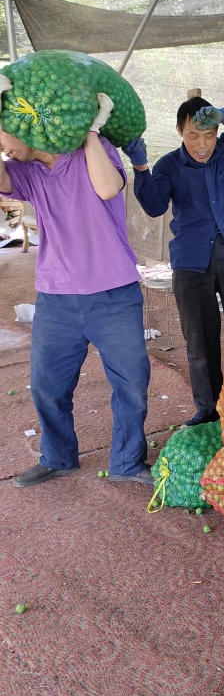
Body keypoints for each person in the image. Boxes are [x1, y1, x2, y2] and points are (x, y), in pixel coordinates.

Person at [0, 93, 152, 488]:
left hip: (114, 294)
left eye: (5, 140)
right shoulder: (27, 173)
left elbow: (107, 189)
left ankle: (128, 461)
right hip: (56, 298)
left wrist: (89, 132)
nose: (5, 149)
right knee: (47, 385)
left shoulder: (94, 149)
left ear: (27, 129)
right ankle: (59, 457)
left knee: (131, 384)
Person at [130, 99, 224, 426]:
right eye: (194, 135)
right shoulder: (169, 165)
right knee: (199, 342)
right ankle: (209, 411)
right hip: (192, 260)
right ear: (180, 131)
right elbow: (154, 207)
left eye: (209, 135)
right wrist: (141, 169)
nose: (202, 144)